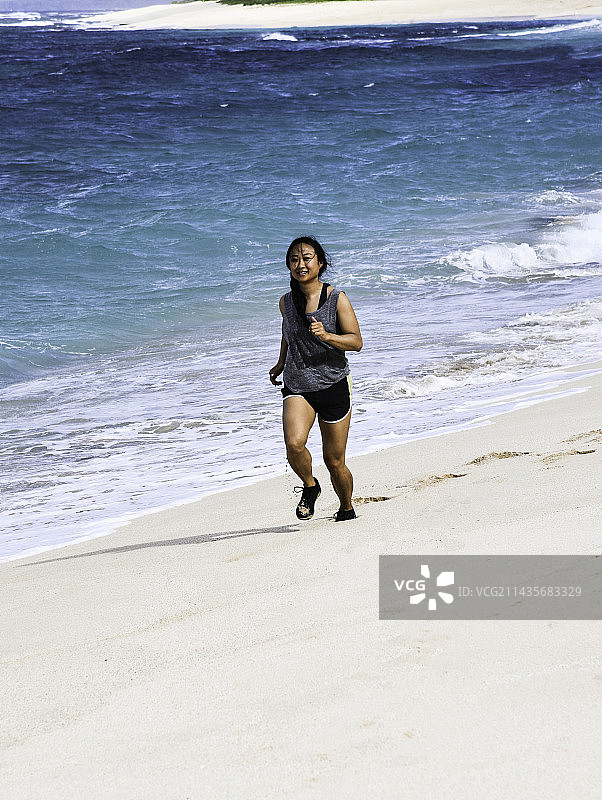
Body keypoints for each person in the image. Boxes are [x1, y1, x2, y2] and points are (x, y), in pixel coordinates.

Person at [269, 236, 363, 522]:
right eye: (295, 259)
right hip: (298, 384)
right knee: (294, 444)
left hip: (333, 384)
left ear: (320, 263)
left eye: (307, 258)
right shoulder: (286, 302)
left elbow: (356, 342)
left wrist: (328, 336)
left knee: (334, 462)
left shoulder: (336, 298)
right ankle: (310, 486)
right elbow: (288, 333)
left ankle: (346, 508)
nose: (301, 264)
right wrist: (281, 362)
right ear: (288, 264)